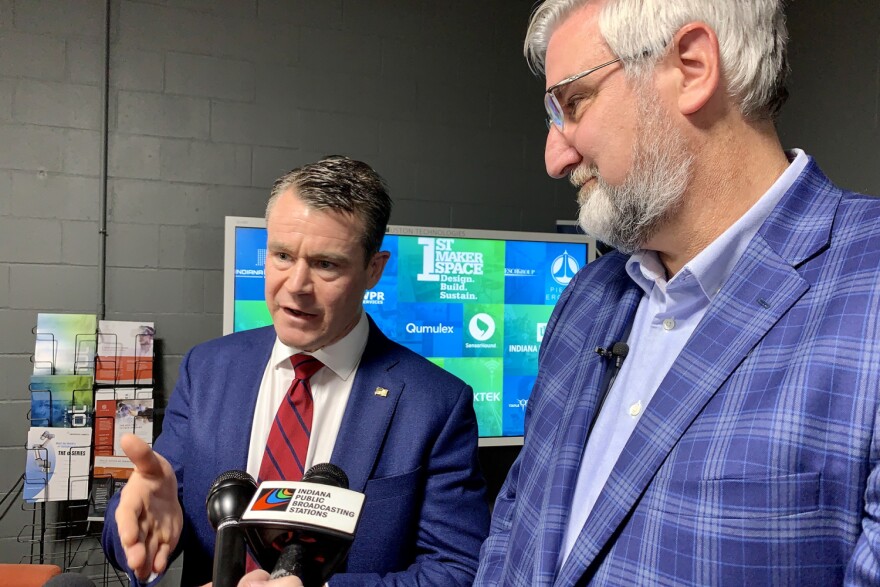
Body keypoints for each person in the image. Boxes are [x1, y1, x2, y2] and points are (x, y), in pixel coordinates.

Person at [476, 1, 880, 585]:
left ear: (691, 67)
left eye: (574, 102)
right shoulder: (587, 299)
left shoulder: (865, 285)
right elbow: (515, 522)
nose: (555, 157)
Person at [102, 156, 490, 586]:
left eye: (326, 264)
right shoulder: (207, 369)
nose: (296, 285)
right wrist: (134, 521)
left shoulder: (436, 402)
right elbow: (149, 515)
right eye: (282, 255)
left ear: (373, 270)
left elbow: (458, 571)